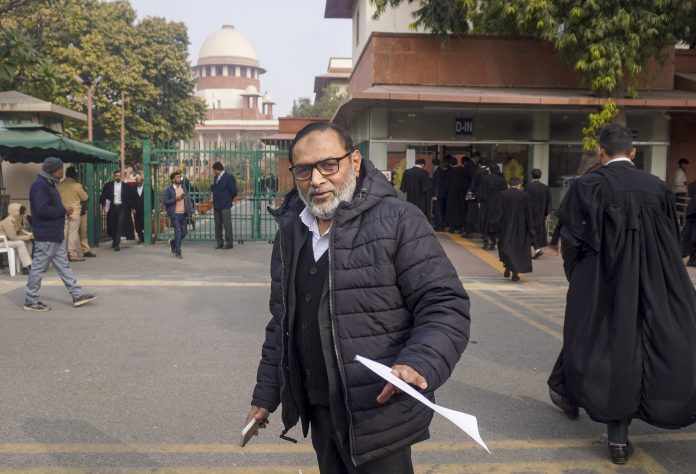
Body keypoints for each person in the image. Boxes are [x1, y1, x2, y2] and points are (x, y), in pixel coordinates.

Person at [245, 122, 471, 473]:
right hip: (319, 409)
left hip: (379, 412)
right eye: (304, 170)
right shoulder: (292, 231)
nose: (316, 180)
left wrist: (418, 362)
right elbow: (282, 322)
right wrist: (266, 394)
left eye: (328, 165)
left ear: (354, 161)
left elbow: (444, 305)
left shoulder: (399, 221)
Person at [547, 123, 696, 464]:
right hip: (653, 279)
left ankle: (615, 435)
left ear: (600, 152)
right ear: (633, 153)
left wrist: (578, 278)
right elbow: (672, 238)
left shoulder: (588, 185)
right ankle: (570, 394)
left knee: (596, 338)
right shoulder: (657, 187)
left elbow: (572, 241)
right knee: (640, 341)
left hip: (603, 279)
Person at [23, 157, 97, 311]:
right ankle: (31, 300)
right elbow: (42, 210)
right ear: (52, 170)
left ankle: (77, 294)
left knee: (64, 266)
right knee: (38, 268)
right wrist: (63, 210)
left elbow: (48, 207)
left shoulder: (49, 184)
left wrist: (63, 209)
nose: (62, 172)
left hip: (55, 234)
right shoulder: (40, 186)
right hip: (47, 235)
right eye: (60, 169)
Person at [497, 177, 534, 282]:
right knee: (518, 249)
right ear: (519, 185)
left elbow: (498, 212)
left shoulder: (502, 194)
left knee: (506, 247)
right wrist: (531, 228)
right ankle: (515, 273)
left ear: (509, 185)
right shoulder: (525, 196)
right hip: (521, 227)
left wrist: (497, 226)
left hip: (506, 226)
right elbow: (529, 213)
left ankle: (507, 267)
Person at [57, 166, 88, 262]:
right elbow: (85, 197)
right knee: (73, 233)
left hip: (63, 211)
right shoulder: (77, 185)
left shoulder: (59, 185)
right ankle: (72, 253)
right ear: (75, 175)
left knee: (64, 232)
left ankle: (63, 253)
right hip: (74, 211)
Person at [163, 170, 194, 259]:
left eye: (180, 177)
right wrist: (175, 199)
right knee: (178, 232)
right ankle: (178, 252)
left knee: (184, 233)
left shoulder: (183, 188)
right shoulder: (168, 190)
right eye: (177, 177)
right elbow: (165, 201)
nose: (179, 178)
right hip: (175, 214)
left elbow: (188, 200)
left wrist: (192, 212)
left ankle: (173, 242)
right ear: (173, 179)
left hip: (183, 214)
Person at [477, 162, 507, 250]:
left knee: (485, 221)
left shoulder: (484, 178)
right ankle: (493, 241)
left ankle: (487, 239)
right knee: (496, 221)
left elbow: (481, 191)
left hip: (486, 203)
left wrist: (480, 201)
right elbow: (504, 192)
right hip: (498, 204)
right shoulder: (501, 180)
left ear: (489, 170)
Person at [99, 169, 130, 251]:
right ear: (114, 176)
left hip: (121, 207)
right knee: (112, 225)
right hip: (112, 207)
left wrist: (130, 209)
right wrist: (106, 207)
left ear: (121, 177)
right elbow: (104, 197)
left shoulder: (125, 186)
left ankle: (117, 244)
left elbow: (128, 198)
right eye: (116, 176)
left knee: (119, 224)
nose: (118, 177)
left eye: (119, 176)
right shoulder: (108, 185)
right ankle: (114, 240)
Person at [524, 169, 551, 259]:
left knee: (530, 230)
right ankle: (537, 248)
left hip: (529, 212)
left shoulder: (528, 186)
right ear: (540, 176)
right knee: (539, 231)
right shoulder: (545, 187)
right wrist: (546, 213)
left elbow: (524, 199)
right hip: (541, 213)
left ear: (532, 175)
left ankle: (537, 249)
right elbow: (549, 201)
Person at [0, 203, 34, 275]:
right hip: (2, 242)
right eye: (23, 213)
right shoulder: (8, 221)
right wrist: (28, 237)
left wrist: (29, 236)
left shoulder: (16, 220)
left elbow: (20, 231)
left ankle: (27, 265)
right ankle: (26, 267)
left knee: (27, 243)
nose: (25, 215)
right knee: (20, 243)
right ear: (17, 212)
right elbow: (13, 237)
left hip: (7, 241)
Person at [211, 161, 238, 249]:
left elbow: (234, 191)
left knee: (227, 224)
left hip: (225, 204)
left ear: (217, 169)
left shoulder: (229, 177)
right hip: (216, 204)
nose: (213, 172)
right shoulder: (216, 177)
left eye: (214, 170)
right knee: (217, 225)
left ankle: (229, 243)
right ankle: (219, 242)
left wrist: (228, 198)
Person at [444, 155, 468, 233]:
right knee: (461, 209)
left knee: (451, 210)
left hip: (452, 194)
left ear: (450, 164)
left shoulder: (449, 172)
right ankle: (461, 227)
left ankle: (452, 227)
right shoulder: (463, 170)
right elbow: (466, 182)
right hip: (461, 194)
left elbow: (446, 184)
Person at [131, 176, 150, 243]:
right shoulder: (133, 189)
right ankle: (141, 238)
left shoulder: (148, 188)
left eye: (140, 182)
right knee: (137, 225)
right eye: (137, 182)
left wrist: (151, 208)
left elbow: (152, 198)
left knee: (145, 224)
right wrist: (132, 208)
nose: (138, 183)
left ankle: (147, 238)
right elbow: (131, 199)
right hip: (136, 211)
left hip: (146, 210)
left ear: (142, 181)